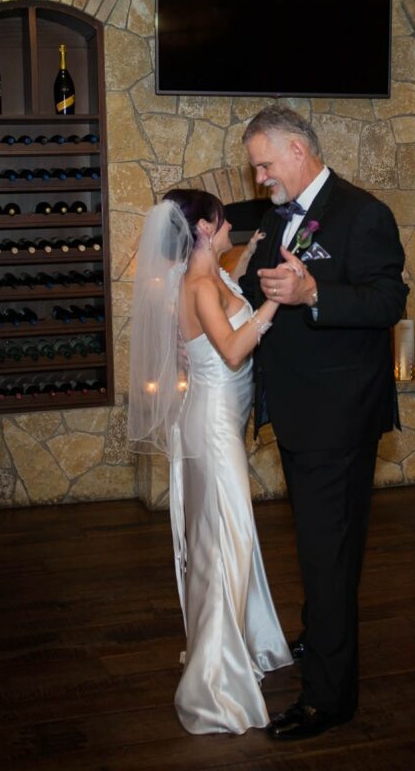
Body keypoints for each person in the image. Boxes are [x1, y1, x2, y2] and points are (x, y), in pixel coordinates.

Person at [239, 105, 408, 741]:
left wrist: (315, 295)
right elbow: (259, 288)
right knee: (321, 547)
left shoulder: (364, 213)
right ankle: (320, 637)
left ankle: (330, 699)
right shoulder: (279, 214)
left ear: (297, 151)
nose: (259, 177)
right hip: (299, 412)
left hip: (339, 415)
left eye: (264, 164)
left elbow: (389, 299)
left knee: (328, 554)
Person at [127, 188, 293, 735]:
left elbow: (228, 285)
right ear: (202, 229)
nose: (228, 229)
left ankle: (241, 643)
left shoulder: (203, 275)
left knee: (224, 538)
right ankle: (214, 684)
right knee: (224, 542)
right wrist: (277, 300)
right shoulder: (197, 285)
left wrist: (249, 261)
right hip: (214, 428)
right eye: (222, 222)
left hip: (214, 421)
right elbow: (234, 350)